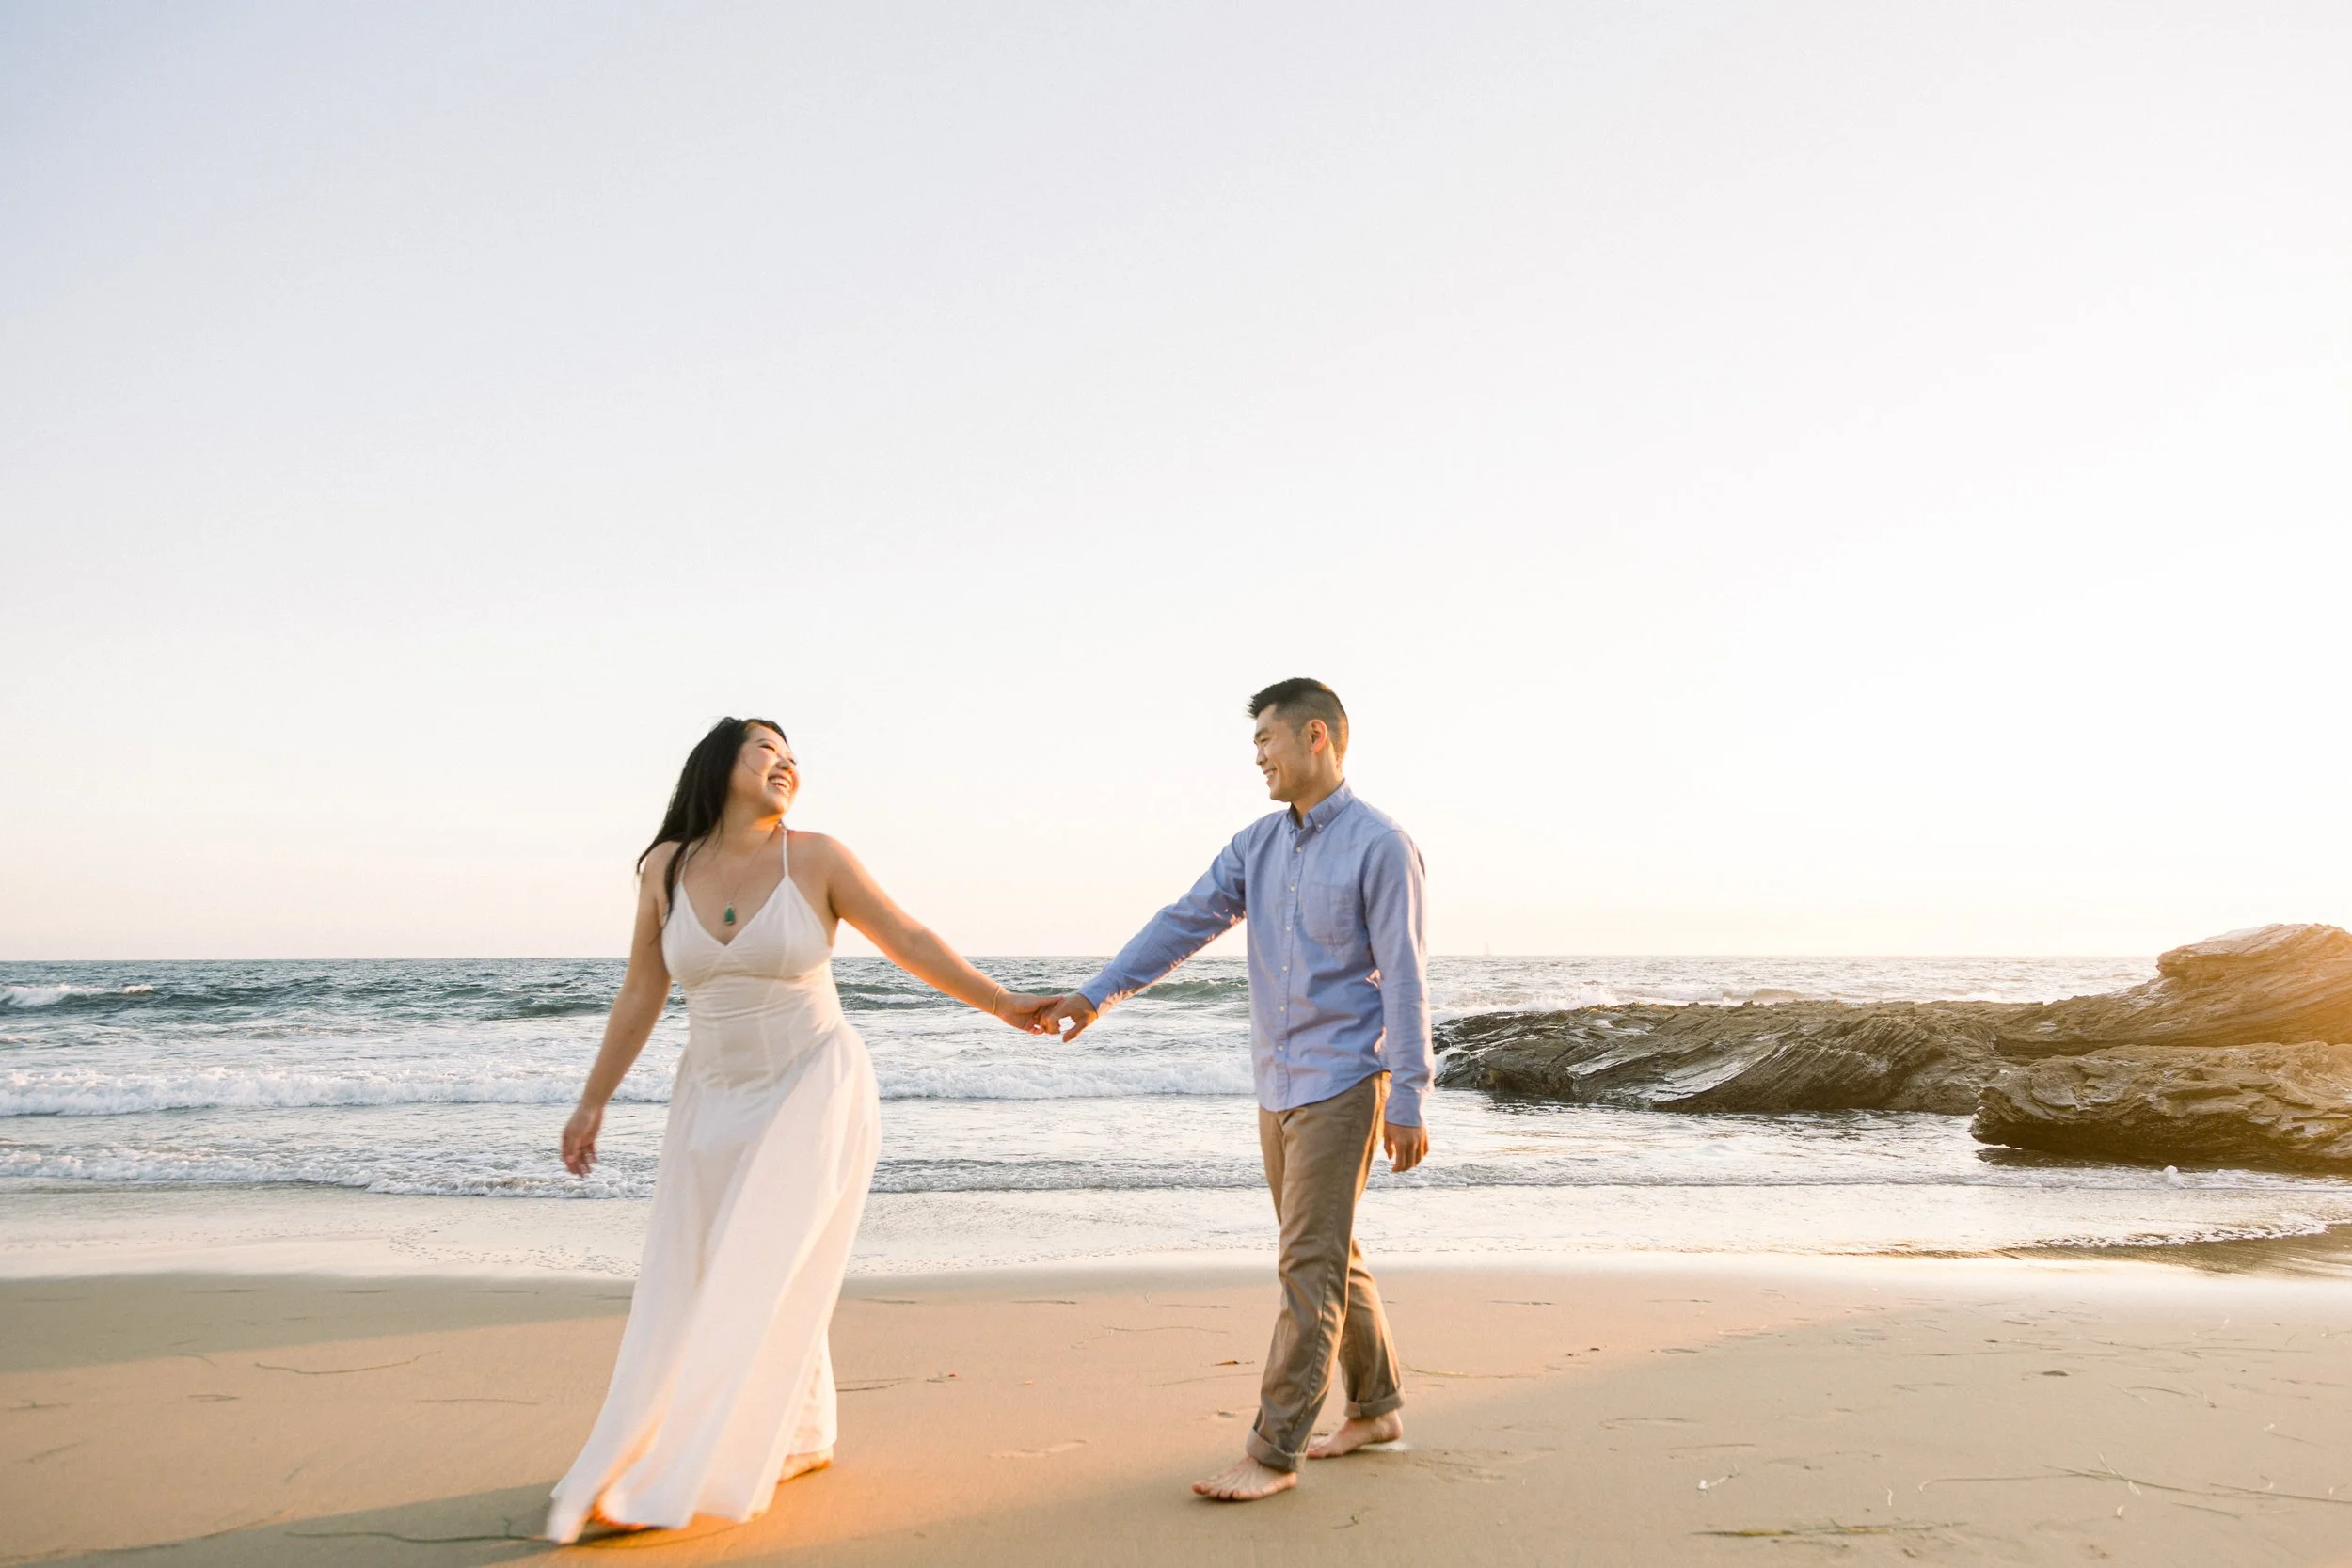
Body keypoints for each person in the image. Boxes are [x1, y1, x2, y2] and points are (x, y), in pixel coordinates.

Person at [547, 716, 1053, 1542]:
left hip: (812, 1081)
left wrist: (1000, 1002)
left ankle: (748, 1446)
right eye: (766, 751)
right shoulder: (665, 868)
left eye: (793, 759)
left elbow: (910, 938)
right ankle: (808, 1433)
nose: (785, 766)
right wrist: (593, 1099)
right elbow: (642, 990)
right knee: (711, 1266)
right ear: (721, 764)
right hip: (710, 1097)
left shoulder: (815, 857)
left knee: (770, 1256)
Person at [1040, 677, 1432, 1502]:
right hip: (1277, 1082)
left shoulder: (1380, 843)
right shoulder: (1255, 844)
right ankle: (1377, 1404)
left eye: (1267, 740)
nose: (1257, 756)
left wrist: (1409, 1094)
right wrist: (1097, 993)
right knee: (1327, 1250)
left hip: (1345, 1079)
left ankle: (1272, 1449)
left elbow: (1404, 973)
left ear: (1316, 736)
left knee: (1306, 1261)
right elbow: (1183, 921)